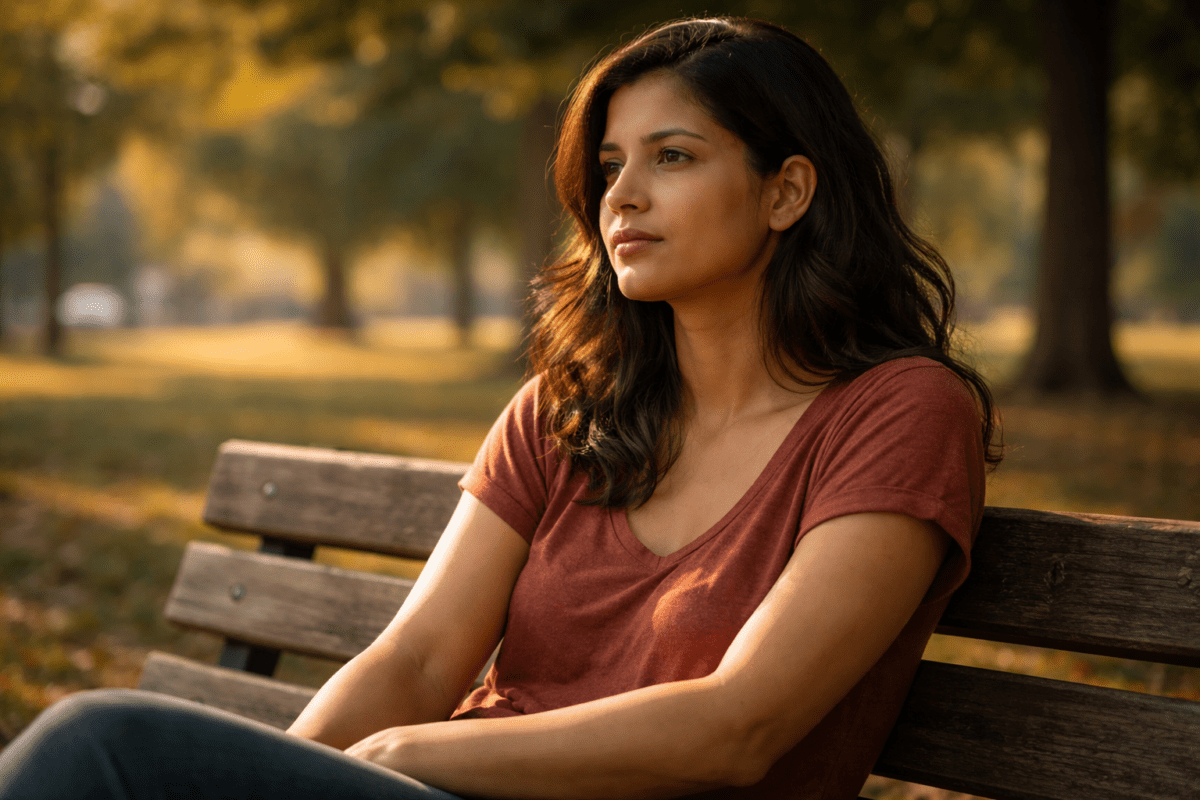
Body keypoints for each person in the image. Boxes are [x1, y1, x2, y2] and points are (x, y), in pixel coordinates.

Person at [0, 16, 999, 800]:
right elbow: (420, 652)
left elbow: (739, 726)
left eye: (674, 157)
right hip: (427, 786)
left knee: (102, 744)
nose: (623, 197)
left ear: (787, 192)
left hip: (459, 781)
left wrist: (402, 752)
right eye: (611, 165)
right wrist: (284, 781)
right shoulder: (570, 409)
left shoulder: (901, 414)